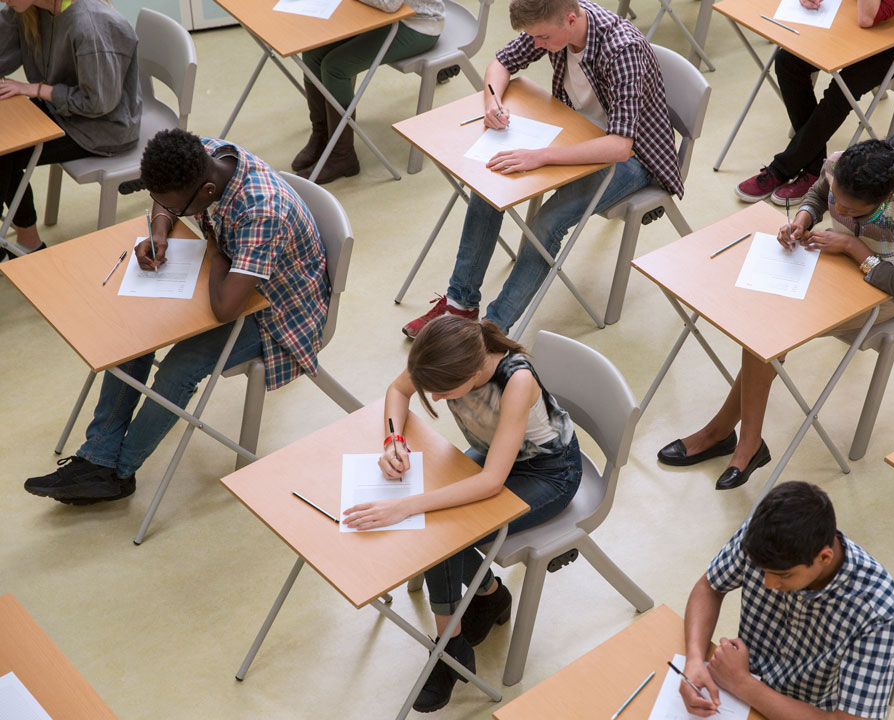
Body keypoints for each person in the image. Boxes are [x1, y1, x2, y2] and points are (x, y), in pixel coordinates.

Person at [24, 129, 329, 505]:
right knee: (134, 330)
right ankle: (98, 458)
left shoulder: (261, 211)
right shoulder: (203, 154)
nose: (166, 207)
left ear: (206, 193)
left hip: (279, 312)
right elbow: (166, 204)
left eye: (176, 206)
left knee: (182, 367)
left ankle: (118, 472)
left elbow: (226, 308)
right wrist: (160, 229)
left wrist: (217, 254)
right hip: (232, 278)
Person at [659, 135, 894, 490]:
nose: (840, 212)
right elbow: (818, 195)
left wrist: (852, 246)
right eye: (839, 204)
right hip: (833, 267)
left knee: (770, 333)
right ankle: (733, 438)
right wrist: (802, 219)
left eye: (851, 211)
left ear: (879, 199)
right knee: (765, 327)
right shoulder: (836, 165)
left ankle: (730, 437)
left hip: (881, 290)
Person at [402, 0, 682, 338]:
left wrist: (541, 156)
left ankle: (492, 332)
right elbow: (500, 63)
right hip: (572, 134)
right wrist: (493, 103)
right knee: (489, 185)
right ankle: (460, 305)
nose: (537, 45)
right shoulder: (548, 24)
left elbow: (620, 145)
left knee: (548, 222)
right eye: (532, 37)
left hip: (636, 158)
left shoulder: (622, 49)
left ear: (571, 19)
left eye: (543, 38)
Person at [343, 315, 581, 712]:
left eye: (443, 392)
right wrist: (393, 441)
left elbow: (490, 482)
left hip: (549, 473)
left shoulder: (517, 382)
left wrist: (403, 505)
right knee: (435, 526)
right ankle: (487, 596)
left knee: (441, 535)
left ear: (474, 373)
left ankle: (449, 650)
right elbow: (397, 391)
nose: (435, 399)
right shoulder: (446, 355)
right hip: (497, 457)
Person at [679, 481, 894, 718]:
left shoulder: (879, 612)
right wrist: (694, 660)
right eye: (762, 569)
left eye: (782, 575)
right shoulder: (762, 538)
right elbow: (709, 587)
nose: (768, 583)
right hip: (740, 695)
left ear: (824, 558)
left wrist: (743, 684)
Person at [733, 0, 894, 207]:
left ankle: (782, 168)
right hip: (857, 20)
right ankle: (815, 167)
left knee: (844, 87)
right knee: (788, 61)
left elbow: (866, 18)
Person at [0, 0, 140, 257]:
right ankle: (24, 241)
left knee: (5, 151)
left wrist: (37, 90)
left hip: (102, 127)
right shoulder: (30, 9)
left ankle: (28, 244)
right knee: (5, 138)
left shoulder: (89, 23)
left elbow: (100, 102)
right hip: (63, 109)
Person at [291, 0, 445, 184]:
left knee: (336, 68)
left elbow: (389, 4)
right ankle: (322, 135)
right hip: (376, 14)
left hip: (417, 23)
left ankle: (342, 155)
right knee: (312, 52)